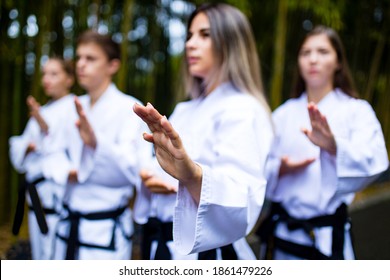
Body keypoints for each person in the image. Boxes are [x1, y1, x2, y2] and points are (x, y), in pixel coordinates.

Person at [133, 3, 274, 260]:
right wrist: (149, 171)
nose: (190, 44)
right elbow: (162, 169)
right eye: (189, 35)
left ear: (231, 43)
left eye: (204, 35)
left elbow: (242, 197)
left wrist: (192, 176)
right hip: (163, 244)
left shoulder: (244, 108)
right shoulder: (185, 110)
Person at [258, 25, 389, 260]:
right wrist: (281, 168)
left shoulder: (356, 111)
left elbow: (377, 161)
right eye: (305, 53)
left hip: (328, 238)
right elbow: (254, 168)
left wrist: (334, 147)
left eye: (322, 51)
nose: (313, 59)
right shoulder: (282, 115)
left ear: (338, 61)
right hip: (282, 239)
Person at [42, 30, 152, 260]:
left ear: (113, 65)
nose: (81, 64)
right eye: (79, 57)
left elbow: (134, 169)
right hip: (66, 225)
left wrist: (95, 144)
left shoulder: (130, 109)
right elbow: (51, 152)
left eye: (90, 59)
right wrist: (65, 171)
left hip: (104, 233)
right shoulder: (70, 106)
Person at [9, 57, 75, 259]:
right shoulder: (43, 110)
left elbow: (68, 150)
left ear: (69, 79)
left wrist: (45, 127)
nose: (47, 79)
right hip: (35, 200)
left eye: (54, 74)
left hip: (59, 203)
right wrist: (27, 147)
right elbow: (19, 148)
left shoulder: (76, 107)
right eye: (44, 74)